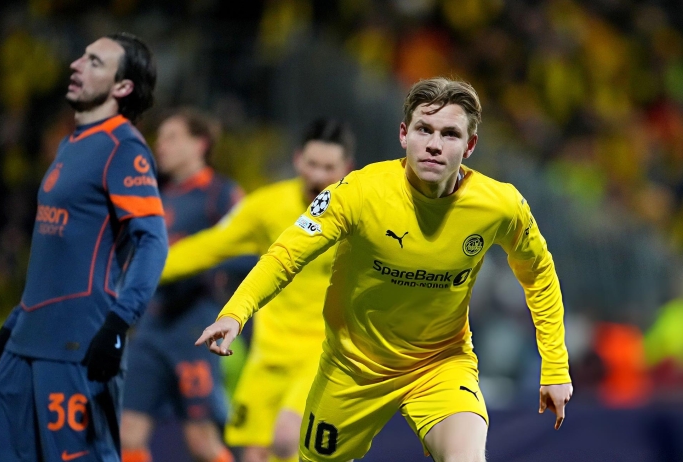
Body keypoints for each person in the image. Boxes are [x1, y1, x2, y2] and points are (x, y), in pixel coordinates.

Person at [198, 77, 574, 462]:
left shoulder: (501, 205)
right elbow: (285, 255)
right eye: (424, 129)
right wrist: (235, 312)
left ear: (470, 145)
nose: (434, 144)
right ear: (403, 134)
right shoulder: (359, 192)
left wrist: (555, 366)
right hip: (353, 367)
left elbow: (539, 274)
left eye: (449, 134)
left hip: (440, 364)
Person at [0, 33, 168, 462]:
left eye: (95, 62)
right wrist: (12, 325)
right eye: (82, 56)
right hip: (26, 341)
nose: (76, 65)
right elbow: (57, 258)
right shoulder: (73, 144)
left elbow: (153, 241)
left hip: (78, 344)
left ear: (122, 87)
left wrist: (118, 323)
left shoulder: (124, 148)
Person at [161, 118, 355, 462]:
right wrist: (145, 271)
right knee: (253, 454)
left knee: (287, 437)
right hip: (268, 354)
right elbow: (212, 245)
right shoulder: (267, 206)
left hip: (323, 352)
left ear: (347, 168)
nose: (318, 176)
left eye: (329, 168)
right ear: (297, 159)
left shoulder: (357, 214)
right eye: (312, 164)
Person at [120, 108, 245, 462]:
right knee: (128, 432)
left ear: (199, 143)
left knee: (201, 441)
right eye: (160, 138)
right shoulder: (156, 196)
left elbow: (251, 250)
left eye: (172, 137)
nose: (161, 145)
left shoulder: (222, 193)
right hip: (151, 327)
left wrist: (196, 266)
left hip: (194, 326)